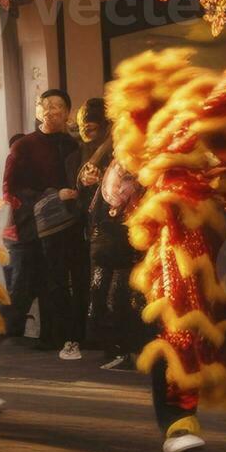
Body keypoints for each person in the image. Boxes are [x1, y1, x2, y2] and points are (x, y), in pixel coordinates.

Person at [3, 90, 85, 354]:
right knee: (39, 283)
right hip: (36, 227)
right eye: (45, 105)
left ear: (68, 113)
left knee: (68, 280)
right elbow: (11, 190)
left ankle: (72, 336)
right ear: (38, 111)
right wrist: (49, 198)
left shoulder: (75, 145)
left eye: (58, 106)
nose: (51, 110)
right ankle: (45, 337)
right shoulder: (24, 145)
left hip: (71, 224)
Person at [81, 100, 142, 370]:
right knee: (99, 295)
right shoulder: (109, 162)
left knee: (120, 297)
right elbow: (91, 198)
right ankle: (113, 348)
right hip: (103, 237)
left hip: (127, 239)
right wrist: (86, 182)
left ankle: (125, 349)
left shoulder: (141, 164)